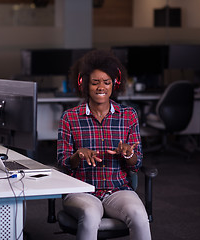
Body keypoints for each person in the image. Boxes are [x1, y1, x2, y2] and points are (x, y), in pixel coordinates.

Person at [57, 50, 151, 240]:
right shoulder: (70, 117)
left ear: (114, 84)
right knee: (91, 215)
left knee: (140, 216)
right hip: (82, 191)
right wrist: (78, 155)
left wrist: (127, 154)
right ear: (83, 84)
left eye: (106, 82)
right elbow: (63, 164)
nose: (101, 87)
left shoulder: (128, 115)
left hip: (117, 189)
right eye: (95, 82)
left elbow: (136, 163)